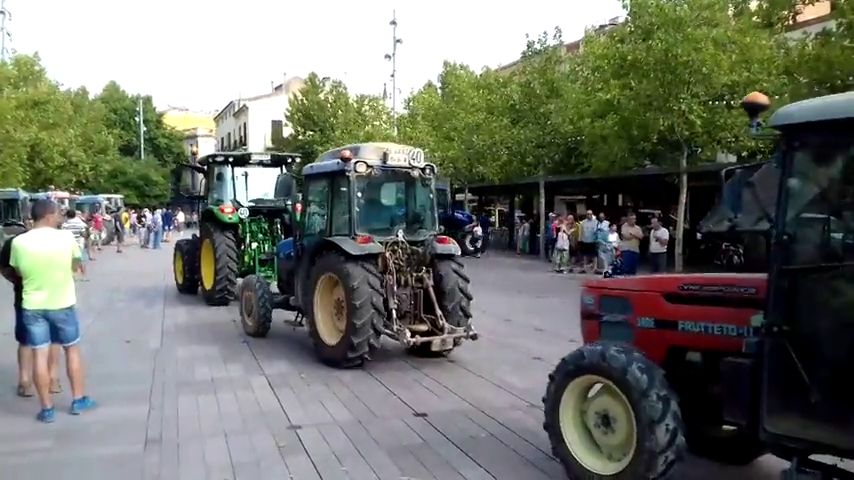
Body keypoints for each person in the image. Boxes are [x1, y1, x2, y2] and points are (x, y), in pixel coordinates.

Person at [10, 199, 96, 423]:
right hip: (62, 303)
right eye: (57, 214)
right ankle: (78, 399)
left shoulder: (19, 242)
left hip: (32, 306)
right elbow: (75, 265)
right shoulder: (65, 238)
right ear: (48, 215)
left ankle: (47, 409)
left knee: (40, 353)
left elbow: (18, 271)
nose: (60, 217)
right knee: (72, 350)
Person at [1, 231, 62, 398]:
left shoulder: (15, 242)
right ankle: (53, 379)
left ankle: (25, 381)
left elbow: (4, 267)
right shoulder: (58, 240)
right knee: (53, 338)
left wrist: (19, 280)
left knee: (25, 340)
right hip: (56, 297)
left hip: (25, 297)